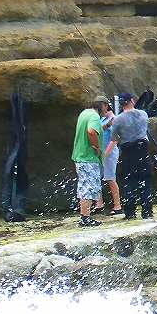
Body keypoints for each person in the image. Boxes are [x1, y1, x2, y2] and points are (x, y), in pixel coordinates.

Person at [107, 92, 154, 220]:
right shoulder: (143, 114)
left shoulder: (118, 119)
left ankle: (130, 212)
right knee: (145, 181)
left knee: (129, 182)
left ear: (121, 104)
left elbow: (114, 138)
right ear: (132, 101)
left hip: (127, 151)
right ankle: (147, 211)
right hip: (143, 150)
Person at [71, 96, 106, 227]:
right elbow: (91, 131)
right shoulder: (94, 116)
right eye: (106, 106)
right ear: (102, 105)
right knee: (89, 188)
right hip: (88, 158)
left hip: (80, 157)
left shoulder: (84, 113)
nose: (106, 109)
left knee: (83, 187)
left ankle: (84, 216)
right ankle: (86, 218)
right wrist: (96, 147)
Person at [99, 99, 122, 215]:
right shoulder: (102, 119)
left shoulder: (114, 119)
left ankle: (117, 205)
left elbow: (115, 140)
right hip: (100, 153)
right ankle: (99, 204)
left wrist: (106, 154)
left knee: (110, 178)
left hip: (110, 153)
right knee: (96, 177)